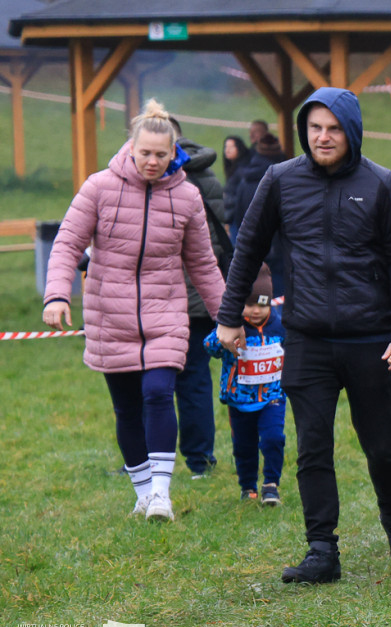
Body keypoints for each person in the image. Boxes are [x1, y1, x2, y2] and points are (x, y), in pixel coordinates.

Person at [217, 87, 391, 583]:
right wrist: (228, 316)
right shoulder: (280, 180)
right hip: (307, 339)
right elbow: (248, 248)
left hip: (371, 340)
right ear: (303, 131)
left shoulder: (382, 183)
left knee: (381, 446)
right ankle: (321, 550)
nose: (322, 137)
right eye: (314, 128)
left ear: (350, 132)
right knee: (312, 446)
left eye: (333, 128)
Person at [42, 98, 225, 521]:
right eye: (145, 153)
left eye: (162, 154)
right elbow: (68, 243)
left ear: (173, 152)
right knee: (126, 408)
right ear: (131, 148)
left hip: (166, 314)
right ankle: (142, 491)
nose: (153, 161)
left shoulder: (188, 198)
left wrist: (225, 317)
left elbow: (202, 265)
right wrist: (56, 295)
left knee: (159, 394)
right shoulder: (99, 187)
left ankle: (161, 494)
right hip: (110, 315)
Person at [170, 116, 233, 478]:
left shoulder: (196, 179)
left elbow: (213, 242)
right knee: (156, 382)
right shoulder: (207, 176)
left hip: (192, 296)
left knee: (191, 379)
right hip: (173, 297)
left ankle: (198, 459)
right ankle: (149, 458)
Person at [205, 265, 286, 505]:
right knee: (244, 445)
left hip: (273, 396)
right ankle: (248, 485)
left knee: (273, 438)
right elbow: (209, 347)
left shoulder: (280, 326)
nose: (256, 311)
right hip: (239, 400)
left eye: (262, 305)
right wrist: (224, 337)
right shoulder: (231, 325)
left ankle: (271, 485)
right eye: (249, 305)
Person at [232, 132, 288, 295]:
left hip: (253, 256)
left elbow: (238, 217)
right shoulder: (282, 181)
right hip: (279, 258)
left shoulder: (245, 180)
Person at [222, 135, 249, 232]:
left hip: (238, 218)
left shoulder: (242, 170)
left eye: (231, 147)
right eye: (226, 147)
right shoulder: (233, 169)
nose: (227, 150)